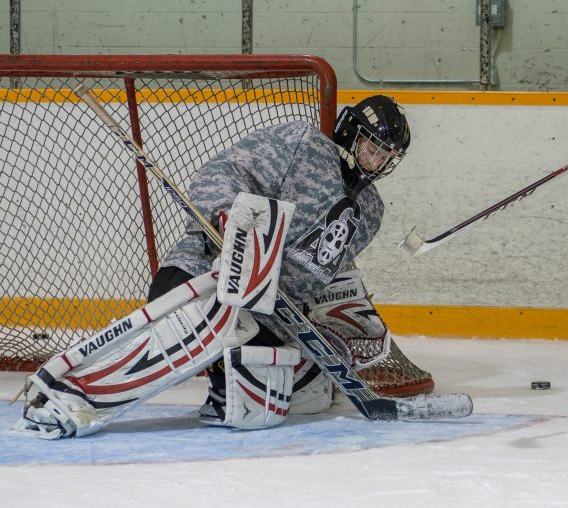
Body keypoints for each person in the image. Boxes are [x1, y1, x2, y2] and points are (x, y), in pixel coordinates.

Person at [19, 95, 417, 437]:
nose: (378, 160)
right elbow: (221, 172)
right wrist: (227, 215)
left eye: (387, 156)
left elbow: (323, 274)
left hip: (269, 314)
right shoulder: (303, 144)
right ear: (350, 132)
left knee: (290, 402)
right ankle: (73, 392)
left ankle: (225, 387)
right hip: (205, 273)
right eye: (373, 147)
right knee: (208, 324)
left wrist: (332, 317)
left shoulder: (370, 212)